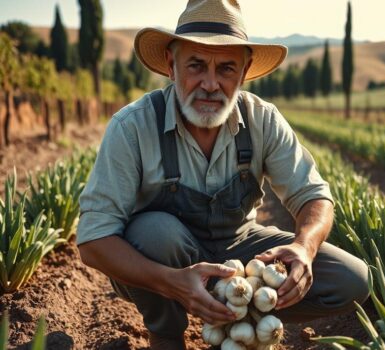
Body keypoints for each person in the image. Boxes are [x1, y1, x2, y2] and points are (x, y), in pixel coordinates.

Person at [76, 0, 369, 349]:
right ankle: (166, 334)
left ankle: (243, 317)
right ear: (172, 65)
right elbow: (93, 240)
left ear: (243, 74)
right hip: (168, 260)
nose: (211, 84)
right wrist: (172, 282)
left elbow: (313, 195)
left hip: (241, 253)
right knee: (154, 233)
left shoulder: (263, 119)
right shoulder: (133, 127)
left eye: (226, 69)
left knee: (351, 279)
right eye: (196, 66)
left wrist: (304, 248)